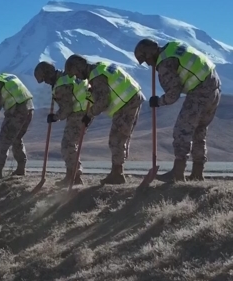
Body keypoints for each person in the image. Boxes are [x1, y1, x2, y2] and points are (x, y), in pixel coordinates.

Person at [133, 38, 221, 181]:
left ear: (149, 54)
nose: (149, 65)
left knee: (182, 131)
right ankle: (198, 174)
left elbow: (173, 94)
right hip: (214, 87)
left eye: (146, 60)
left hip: (200, 91)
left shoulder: (165, 64)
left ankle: (177, 173)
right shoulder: (173, 46)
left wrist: (158, 101)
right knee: (199, 131)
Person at [64, 55, 144, 184]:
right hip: (131, 98)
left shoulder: (96, 76)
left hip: (126, 102)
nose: (76, 77)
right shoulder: (100, 67)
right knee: (119, 138)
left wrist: (89, 115)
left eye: (75, 73)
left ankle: (117, 174)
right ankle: (117, 172)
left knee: (116, 139)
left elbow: (103, 102)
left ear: (78, 67)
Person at [34, 61, 91, 186]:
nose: (46, 82)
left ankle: (73, 176)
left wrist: (55, 117)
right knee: (70, 143)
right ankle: (73, 175)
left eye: (45, 79)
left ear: (48, 74)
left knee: (68, 144)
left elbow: (67, 108)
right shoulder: (66, 76)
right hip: (84, 110)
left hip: (79, 113)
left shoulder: (61, 84)